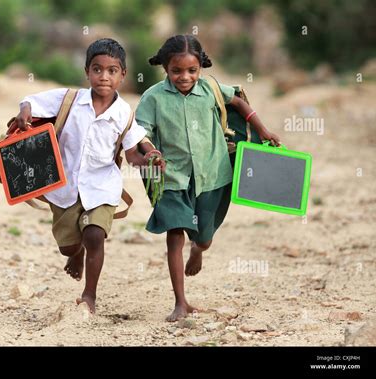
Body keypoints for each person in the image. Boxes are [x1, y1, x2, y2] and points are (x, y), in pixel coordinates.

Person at [135, 34, 280, 321]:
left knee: (204, 238)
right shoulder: (153, 98)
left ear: (200, 67)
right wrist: (151, 153)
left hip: (213, 175)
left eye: (192, 70)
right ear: (165, 68)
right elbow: (141, 133)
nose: (184, 76)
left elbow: (237, 101)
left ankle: (199, 249)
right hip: (171, 178)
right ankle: (180, 301)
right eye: (176, 71)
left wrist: (261, 129)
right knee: (174, 233)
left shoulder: (211, 88)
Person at [15, 38, 163, 314]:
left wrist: (148, 161)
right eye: (97, 69)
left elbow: (132, 154)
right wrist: (24, 114)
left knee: (95, 235)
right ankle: (77, 254)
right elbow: (30, 102)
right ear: (87, 71)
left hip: (102, 186)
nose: (104, 76)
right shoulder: (70, 100)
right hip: (65, 186)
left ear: (123, 76)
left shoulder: (124, 114)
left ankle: (89, 296)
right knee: (68, 248)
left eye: (111, 71)